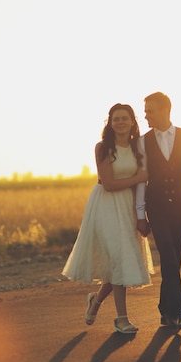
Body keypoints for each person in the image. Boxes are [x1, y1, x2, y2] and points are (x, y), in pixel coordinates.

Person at [62, 103, 154, 334]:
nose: (120, 122)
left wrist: (140, 213)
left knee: (120, 261)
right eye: (115, 119)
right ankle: (121, 319)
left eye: (124, 118)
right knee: (117, 258)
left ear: (133, 122)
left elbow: (141, 185)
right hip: (105, 206)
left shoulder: (138, 148)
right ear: (110, 123)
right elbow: (110, 184)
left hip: (128, 207)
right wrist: (139, 178)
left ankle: (96, 300)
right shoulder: (103, 148)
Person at [135, 92, 181, 329]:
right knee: (168, 257)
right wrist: (140, 215)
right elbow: (140, 181)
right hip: (155, 208)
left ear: (166, 110)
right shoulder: (142, 142)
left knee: (173, 261)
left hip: (180, 206)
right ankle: (177, 312)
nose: (146, 115)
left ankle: (164, 310)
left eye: (150, 110)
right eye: (145, 111)